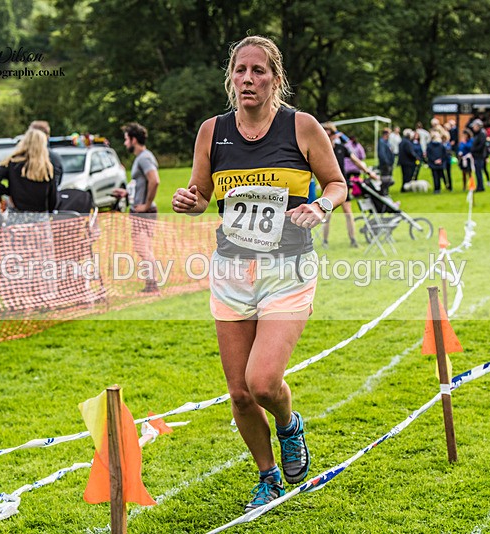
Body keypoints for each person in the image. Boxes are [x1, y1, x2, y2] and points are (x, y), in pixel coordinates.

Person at [171, 35, 347, 512]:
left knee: (263, 382)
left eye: (259, 71)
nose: (248, 79)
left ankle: (289, 426)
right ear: (231, 77)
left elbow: (337, 182)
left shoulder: (301, 128)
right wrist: (189, 201)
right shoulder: (212, 131)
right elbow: (201, 194)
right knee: (240, 395)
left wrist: (322, 205)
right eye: (240, 71)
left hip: (287, 270)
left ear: (275, 77)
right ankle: (268, 477)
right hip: (232, 271)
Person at [122, 122, 161, 293]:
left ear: (133, 140)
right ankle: (150, 283)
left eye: (126, 139)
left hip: (144, 211)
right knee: (145, 248)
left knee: (142, 248)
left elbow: (155, 180)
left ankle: (153, 283)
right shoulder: (142, 157)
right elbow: (142, 184)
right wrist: (125, 194)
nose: (125, 143)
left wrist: (145, 205)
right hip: (142, 209)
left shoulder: (144, 158)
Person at [320, 122, 373, 248]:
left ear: (334, 135)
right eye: (325, 134)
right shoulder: (321, 149)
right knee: (327, 215)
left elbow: (356, 160)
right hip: (327, 187)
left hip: (341, 186)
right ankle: (325, 241)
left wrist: (368, 172)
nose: (328, 136)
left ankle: (353, 240)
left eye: (330, 134)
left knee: (348, 214)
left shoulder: (341, 148)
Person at [0, 128, 58, 224]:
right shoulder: (47, 168)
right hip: (40, 218)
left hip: (17, 216)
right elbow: (53, 197)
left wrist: (10, 192)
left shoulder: (12, 162)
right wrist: (49, 212)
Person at [470, 120, 488, 192]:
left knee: (478, 171)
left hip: (479, 155)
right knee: (477, 171)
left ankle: (480, 187)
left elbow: (481, 145)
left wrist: (474, 150)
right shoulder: (477, 134)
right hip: (476, 155)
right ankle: (479, 185)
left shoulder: (481, 134)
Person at [377, 128, 395, 195]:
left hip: (389, 164)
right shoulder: (381, 142)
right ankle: (383, 192)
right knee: (385, 179)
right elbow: (382, 154)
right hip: (385, 165)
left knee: (389, 179)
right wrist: (386, 163)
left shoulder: (387, 142)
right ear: (386, 134)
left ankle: (386, 191)